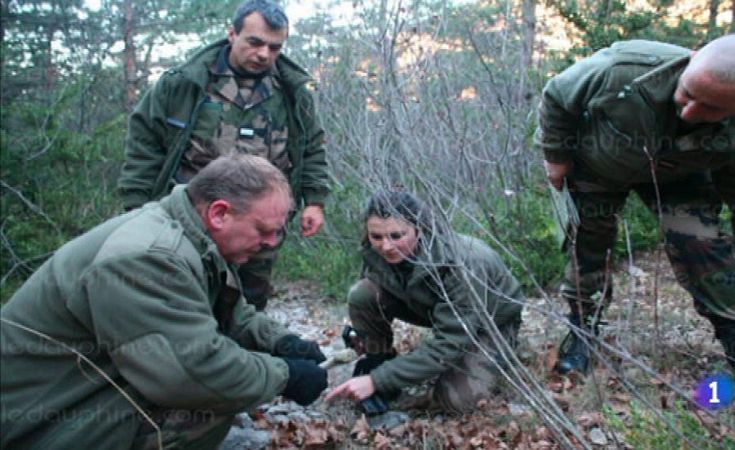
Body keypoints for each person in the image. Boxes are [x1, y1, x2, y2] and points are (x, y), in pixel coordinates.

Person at [1, 155, 328, 449]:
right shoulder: (150, 257)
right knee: (206, 407)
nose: (271, 243)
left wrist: (282, 342)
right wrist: (285, 376)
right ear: (219, 213)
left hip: (75, 391)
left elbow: (231, 313)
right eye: (264, 230)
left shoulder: (192, 237)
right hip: (32, 424)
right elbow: (191, 372)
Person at [533, 34, 735, 382]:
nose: (690, 111)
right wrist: (556, 157)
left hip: (678, 177)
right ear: (693, 58)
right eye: (688, 93)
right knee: (587, 246)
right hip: (598, 164)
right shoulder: (622, 71)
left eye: (711, 108)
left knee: (701, 243)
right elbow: (557, 97)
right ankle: (583, 332)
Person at [118, 0, 329, 310]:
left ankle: (243, 342)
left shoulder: (292, 92)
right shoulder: (183, 84)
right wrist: (137, 208)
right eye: (255, 42)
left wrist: (315, 200)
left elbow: (311, 147)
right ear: (232, 34)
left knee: (248, 304)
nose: (264, 54)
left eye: (274, 47)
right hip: (192, 220)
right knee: (180, 298)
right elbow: (144, 147)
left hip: (259, 224)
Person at [325, 191, 524, 413]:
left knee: (456, 401)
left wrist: (377, 380)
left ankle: (502, 350)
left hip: (490, 321)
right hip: (436, 309)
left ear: (419, 229)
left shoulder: (461, 264)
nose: (386, 246)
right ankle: (379, 360)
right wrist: (366, 341)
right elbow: (370, 291)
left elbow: (450, 342)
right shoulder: (374, 250)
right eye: (376, 237)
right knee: (362, 294)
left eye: (396, 236)